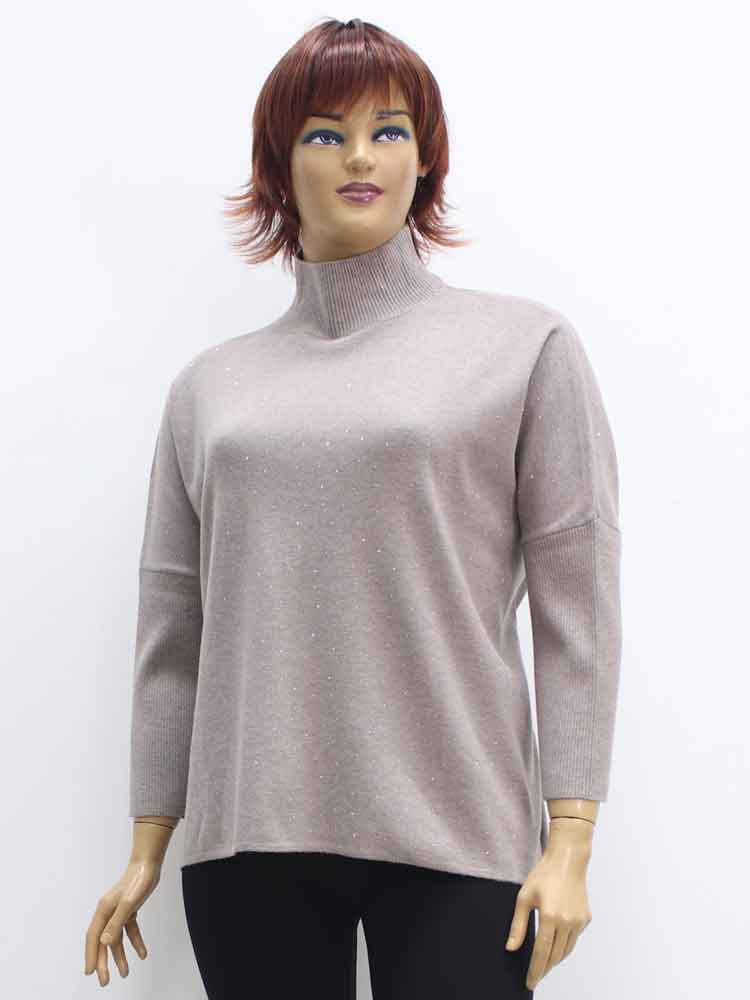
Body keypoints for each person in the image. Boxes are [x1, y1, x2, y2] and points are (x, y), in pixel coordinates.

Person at [84, 17, 622, 998]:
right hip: (247, 838)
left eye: (390, 130)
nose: (361, 156)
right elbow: (171, 630)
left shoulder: (523, 348)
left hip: (459, 830)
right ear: (279, 165)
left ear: (426, 158)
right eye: (326, 133)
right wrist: (147, 841)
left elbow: (577, 606)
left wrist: (572, 835)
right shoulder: (210, 389)